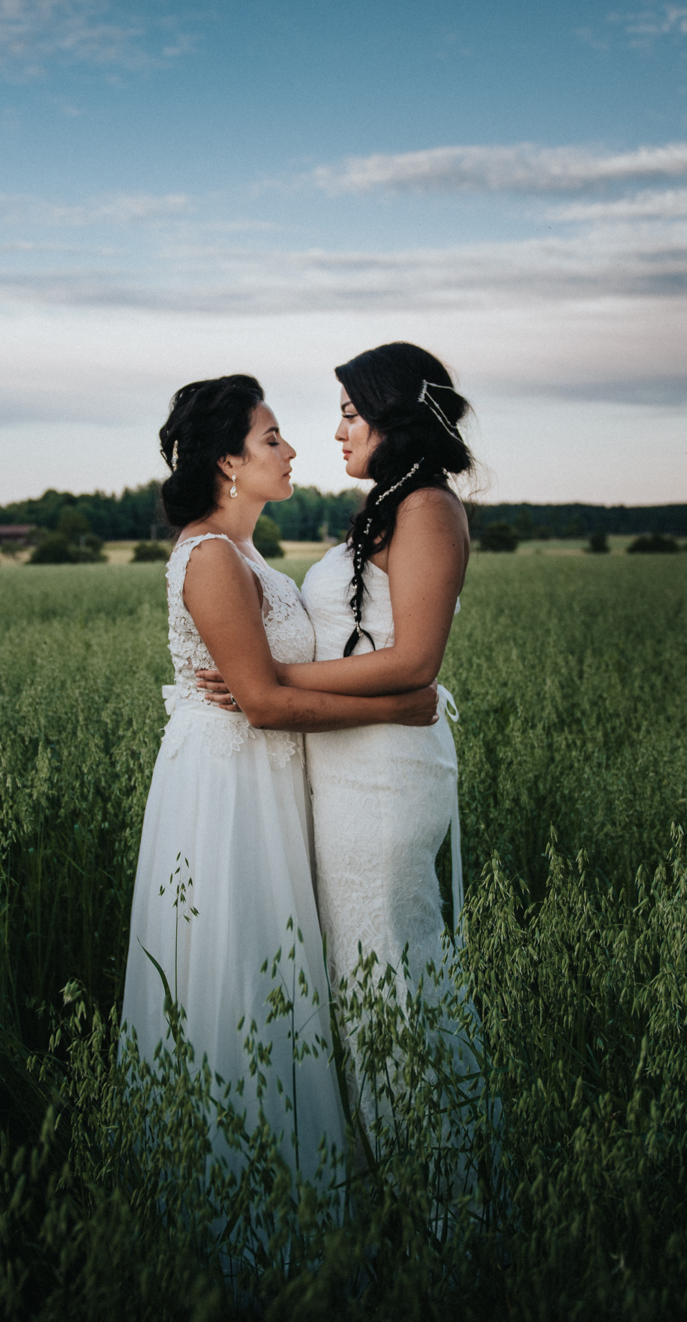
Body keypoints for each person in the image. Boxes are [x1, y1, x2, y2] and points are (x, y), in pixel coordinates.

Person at [120, 373, 440, 1198]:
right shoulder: (210, 556)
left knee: (280, 967)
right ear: (228, 461)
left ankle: (301, 1181)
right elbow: (261, 703)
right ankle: (241, 1199)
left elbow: (282, 681)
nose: (293, 449)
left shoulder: (249, 553)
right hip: (226, 788)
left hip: (266, 778)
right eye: (271, 439)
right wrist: (403, 706)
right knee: (241, 965)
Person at [197, 343, 480, 1156]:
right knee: (362, 983)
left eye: (351, 413)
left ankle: (446, 1199)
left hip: (384, 782)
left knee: (388, 972)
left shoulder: (426, 506)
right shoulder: (393, 503)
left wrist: (272, 678)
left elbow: (416, 661)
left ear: (396, 417)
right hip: (351, 770)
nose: (337, 432)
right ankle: (403, 1178)